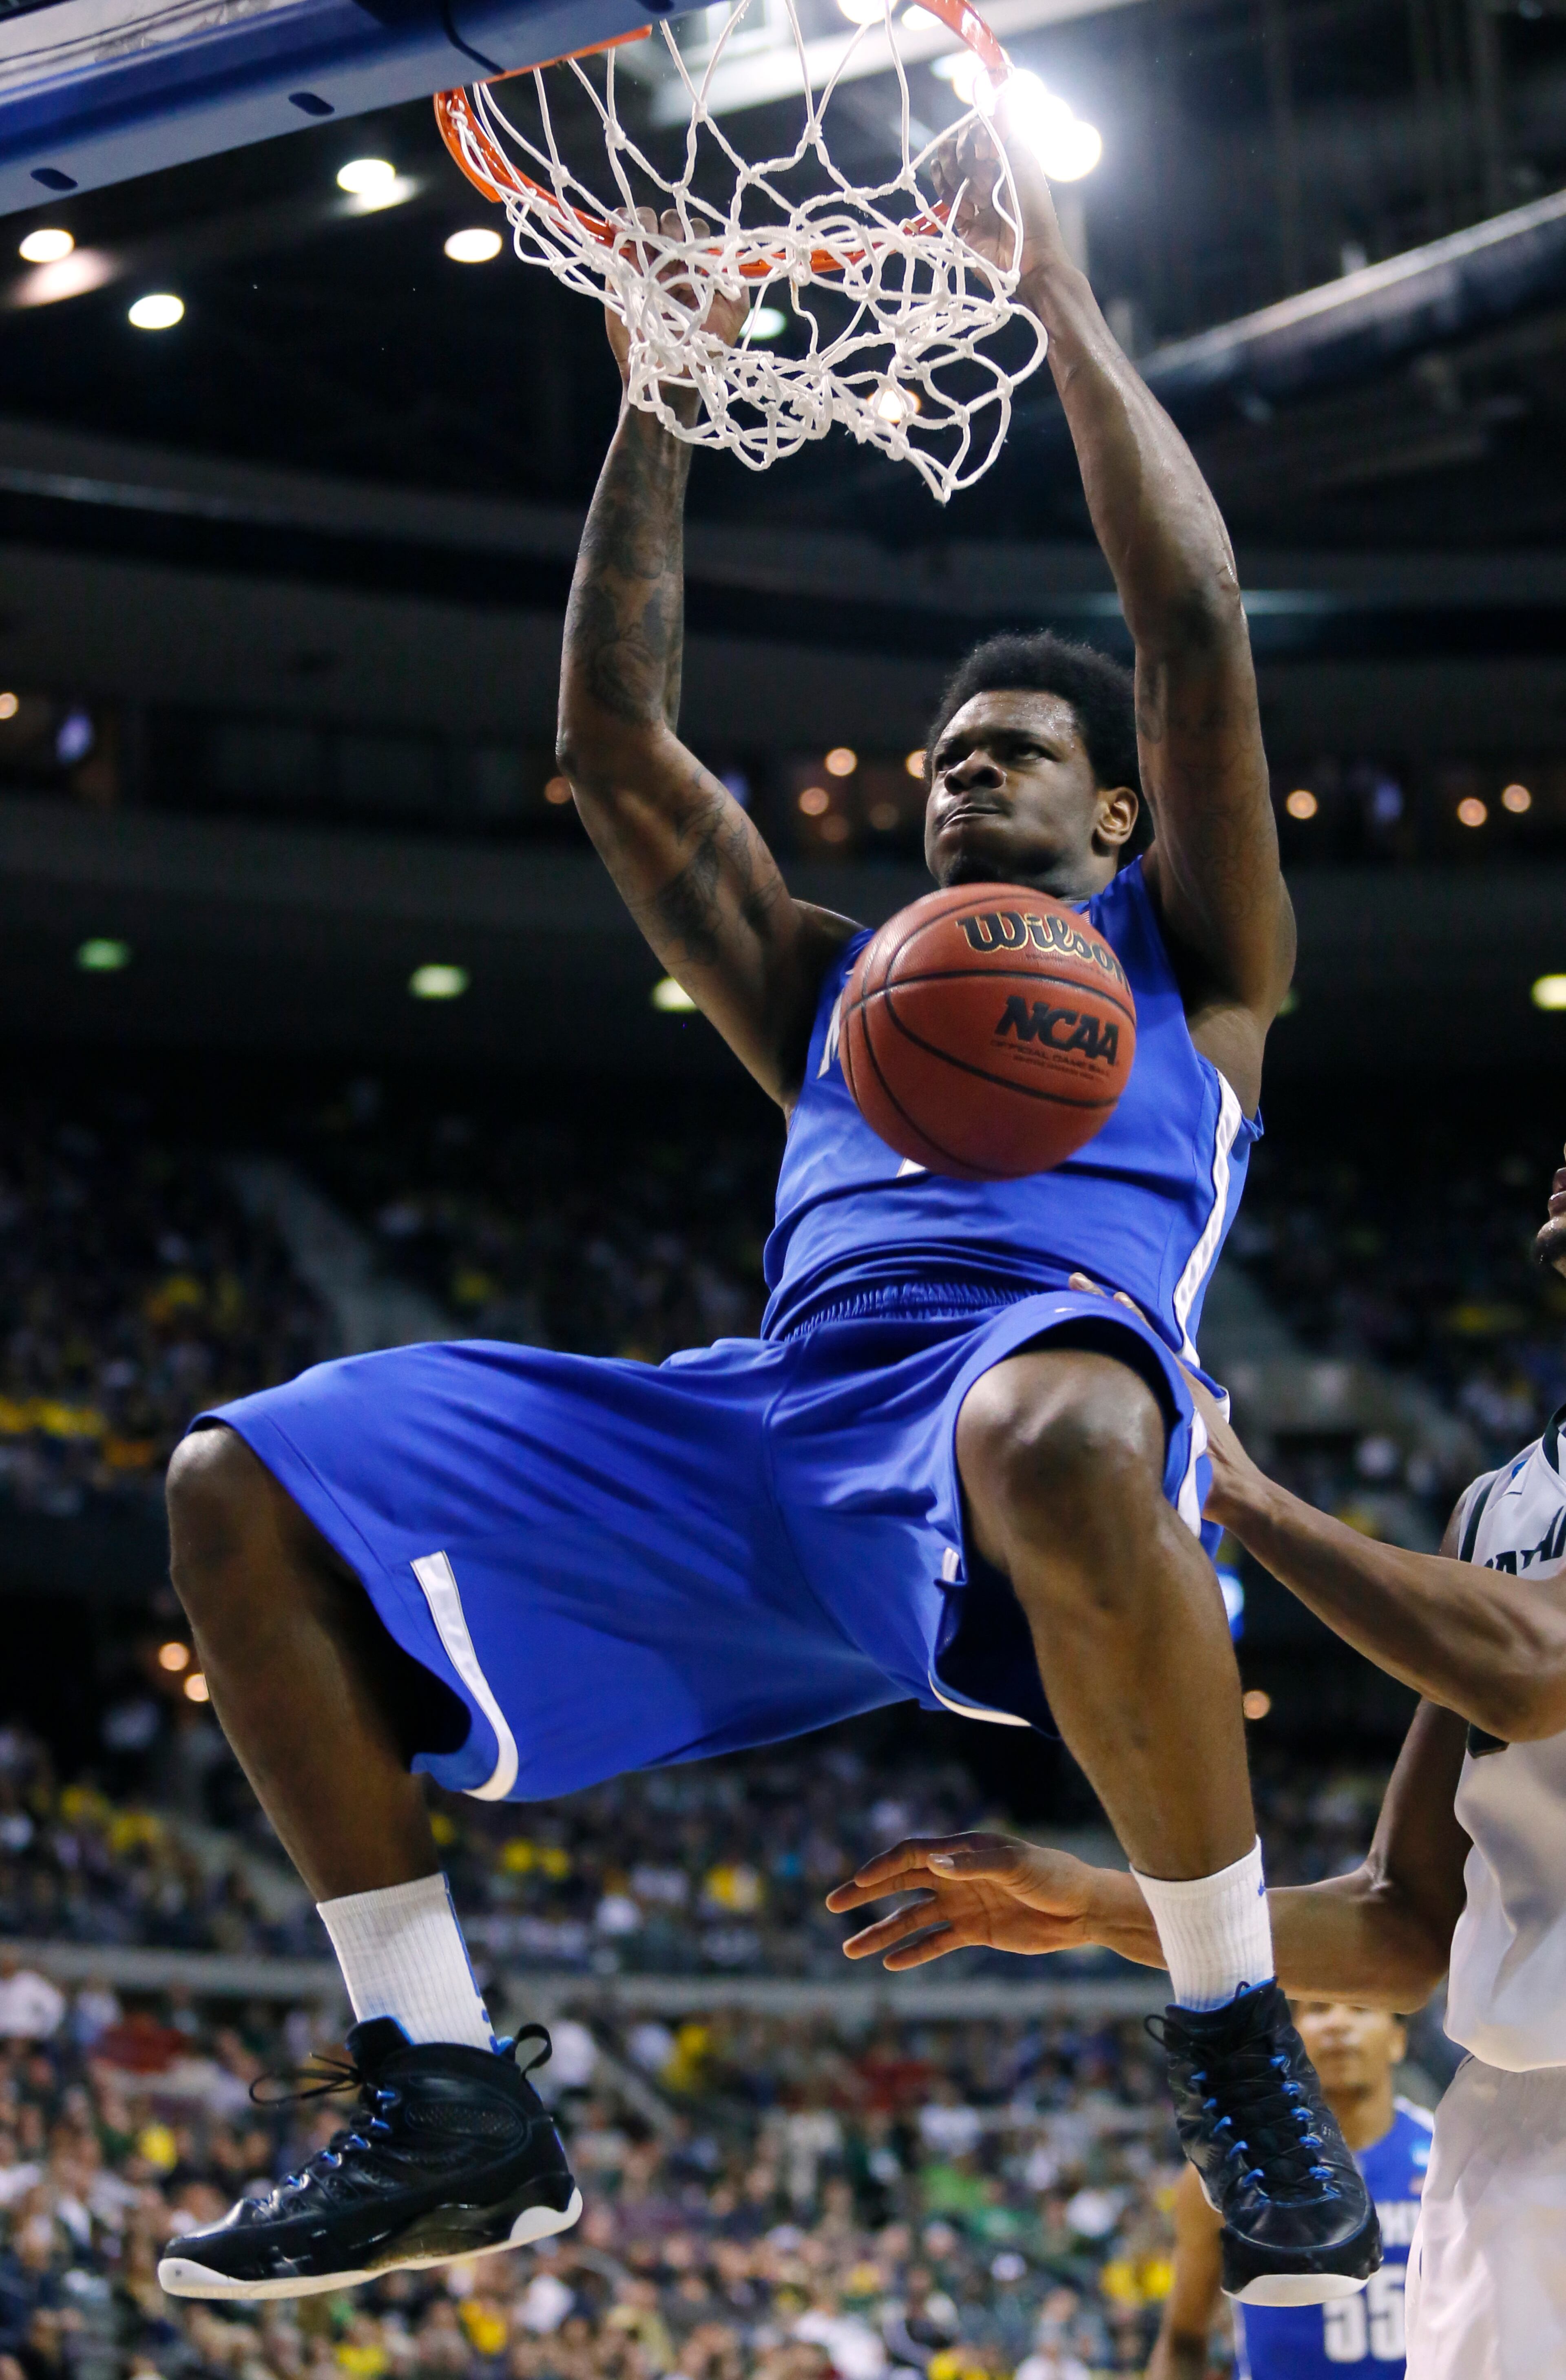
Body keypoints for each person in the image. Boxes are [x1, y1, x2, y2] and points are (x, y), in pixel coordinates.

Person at [153, 95, 1358, 2309]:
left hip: (1032, 1451)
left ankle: (1233, 2023)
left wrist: (1060, 291)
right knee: (239, 1478)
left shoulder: (1202, 963)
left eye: (1009, 748)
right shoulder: (833, 987)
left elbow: (1189, 629)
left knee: (1055, 1421)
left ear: (1114, 806)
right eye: (937, 756)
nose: (957, 770)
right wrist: (664, 381)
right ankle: (437, 2080)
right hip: (777, 1430)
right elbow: (617, 744)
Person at [829, 1148, 1566, 2379]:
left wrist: (1250, 1502)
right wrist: (1108, 1905)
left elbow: (1536, 1664)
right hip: (1510, 2139)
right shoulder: (1497, 1505)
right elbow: (1406, 1920)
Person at [1149, 2002, 1430, 2379]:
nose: (1338, 2022)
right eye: (1317, 2009)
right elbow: (1183, 2340)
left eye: (1361, 2008)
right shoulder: (1229, 2168)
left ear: (1398, 2040)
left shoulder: (1453, 2156)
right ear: (1286, 2041)